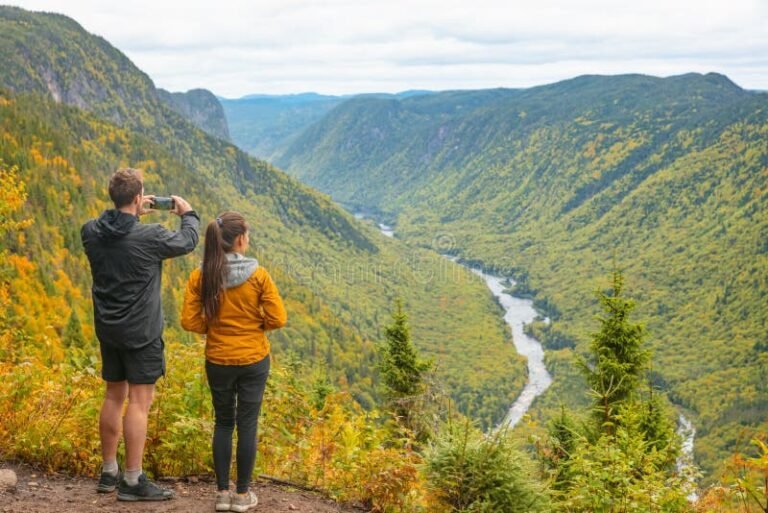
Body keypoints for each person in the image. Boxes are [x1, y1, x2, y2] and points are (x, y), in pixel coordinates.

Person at [81, 168, 200, 501]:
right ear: (138, 198)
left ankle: (109, 472)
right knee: (139, 402)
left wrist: (131, 215)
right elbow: (187, 241)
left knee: (113, 396)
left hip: (108, 329)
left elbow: (107, 226)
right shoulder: (150, 237)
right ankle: (132, 481)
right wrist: (188, 214)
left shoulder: (90, 232)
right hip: (142, 333)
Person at [181, 211, 287, 513]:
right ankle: (242, 495)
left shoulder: (201, 276)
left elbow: (189, 321)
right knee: (247, 424)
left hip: (218, 359)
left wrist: (214, 328)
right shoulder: (259, 276)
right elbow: (278, 318)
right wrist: (254, 327)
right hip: (253, 359)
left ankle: (222, 493)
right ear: (240, 240)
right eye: (247, 235)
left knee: (224, 422)